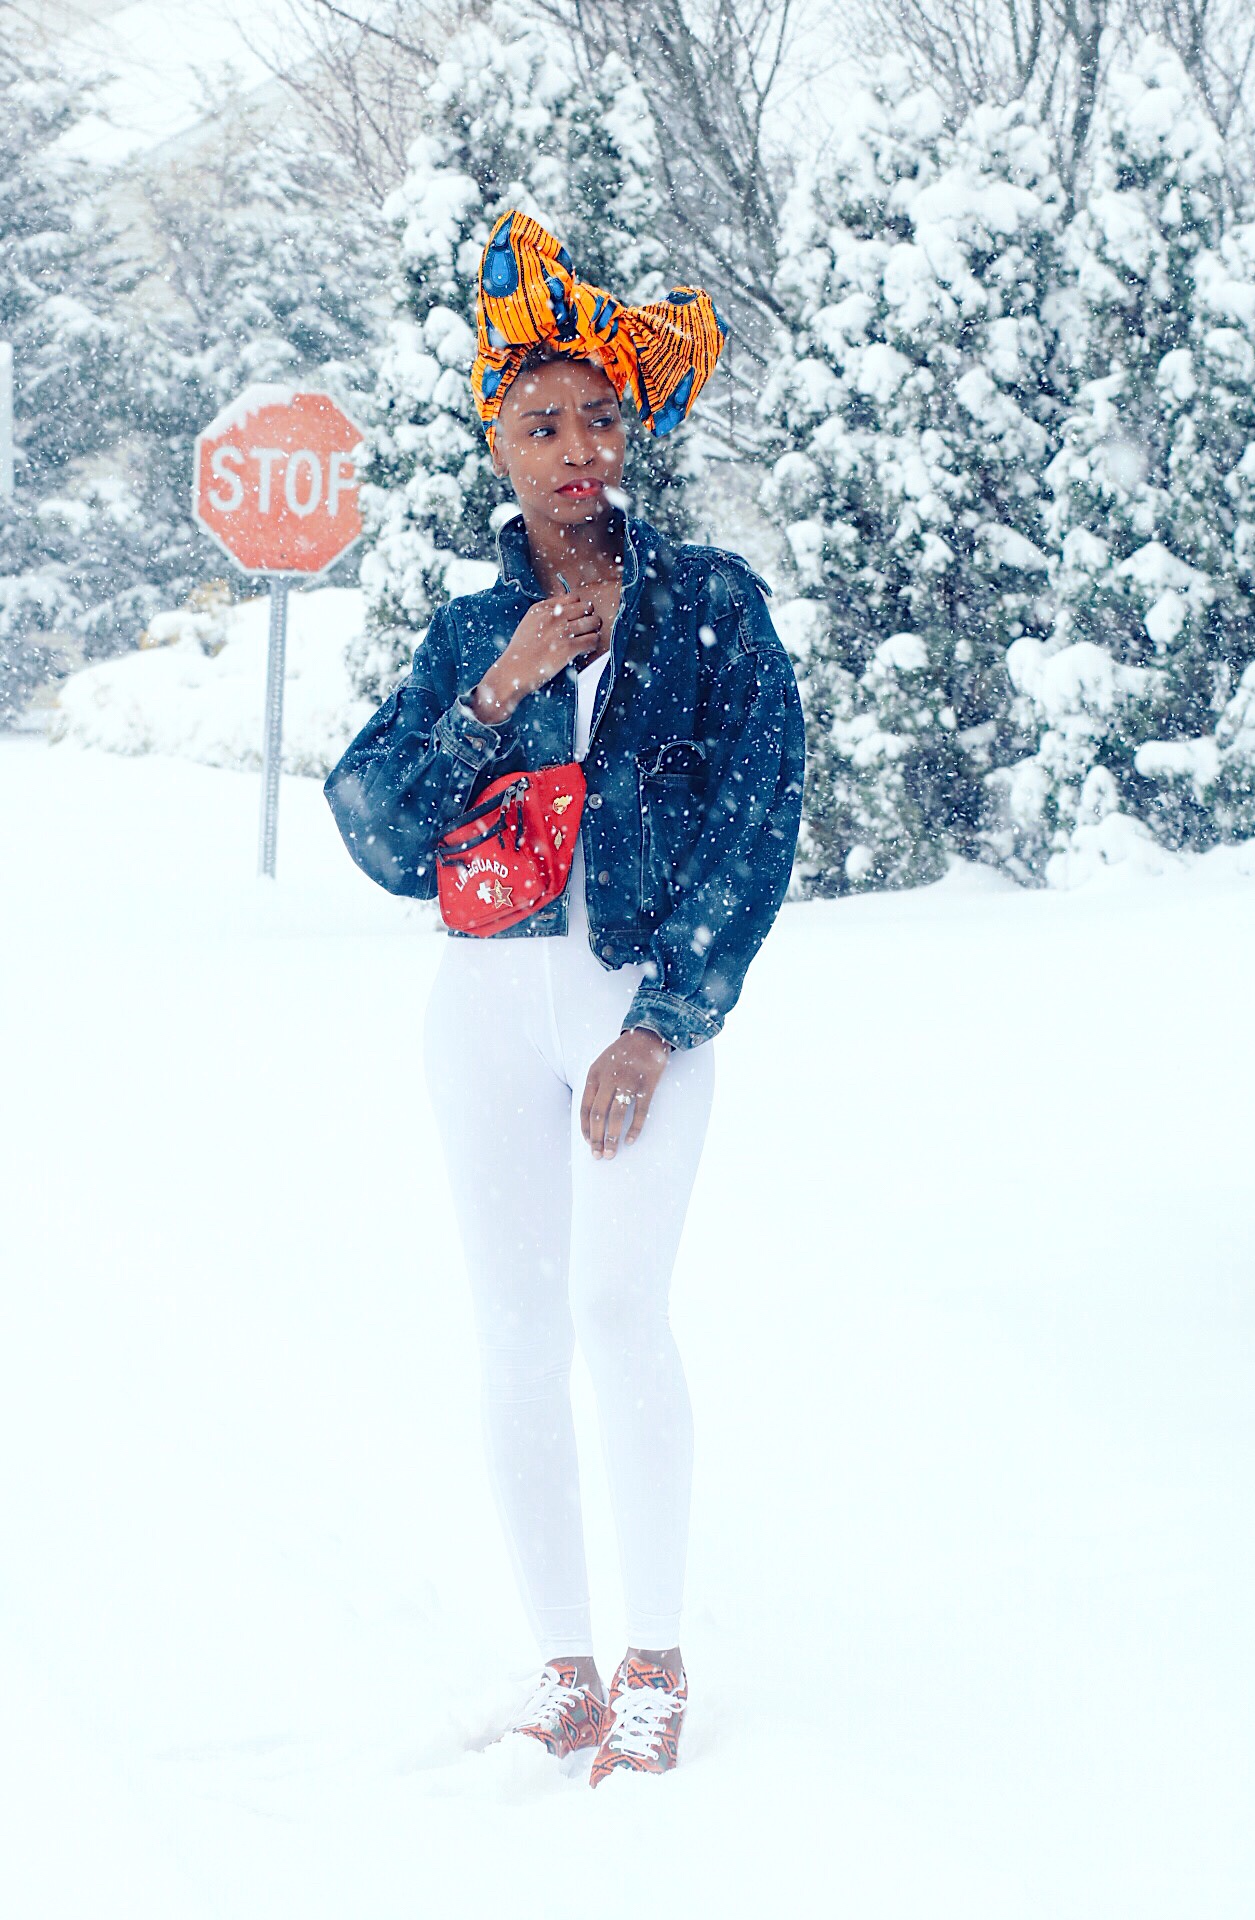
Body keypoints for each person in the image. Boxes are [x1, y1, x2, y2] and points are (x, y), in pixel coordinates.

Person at [325, 209, 805, 1784]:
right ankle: (565, 1669)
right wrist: (506, 682)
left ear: (633, 429)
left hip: (630, 1004)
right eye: (542, 424)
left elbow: (756, 822)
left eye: (601, 416)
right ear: (498, 441)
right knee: (518, 1333)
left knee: (615, 1312)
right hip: (480, 1002)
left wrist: (660, 1022)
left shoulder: (714, 608)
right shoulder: (474, 630)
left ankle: (655, 1658)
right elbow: (378, 829)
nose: (578, 449)